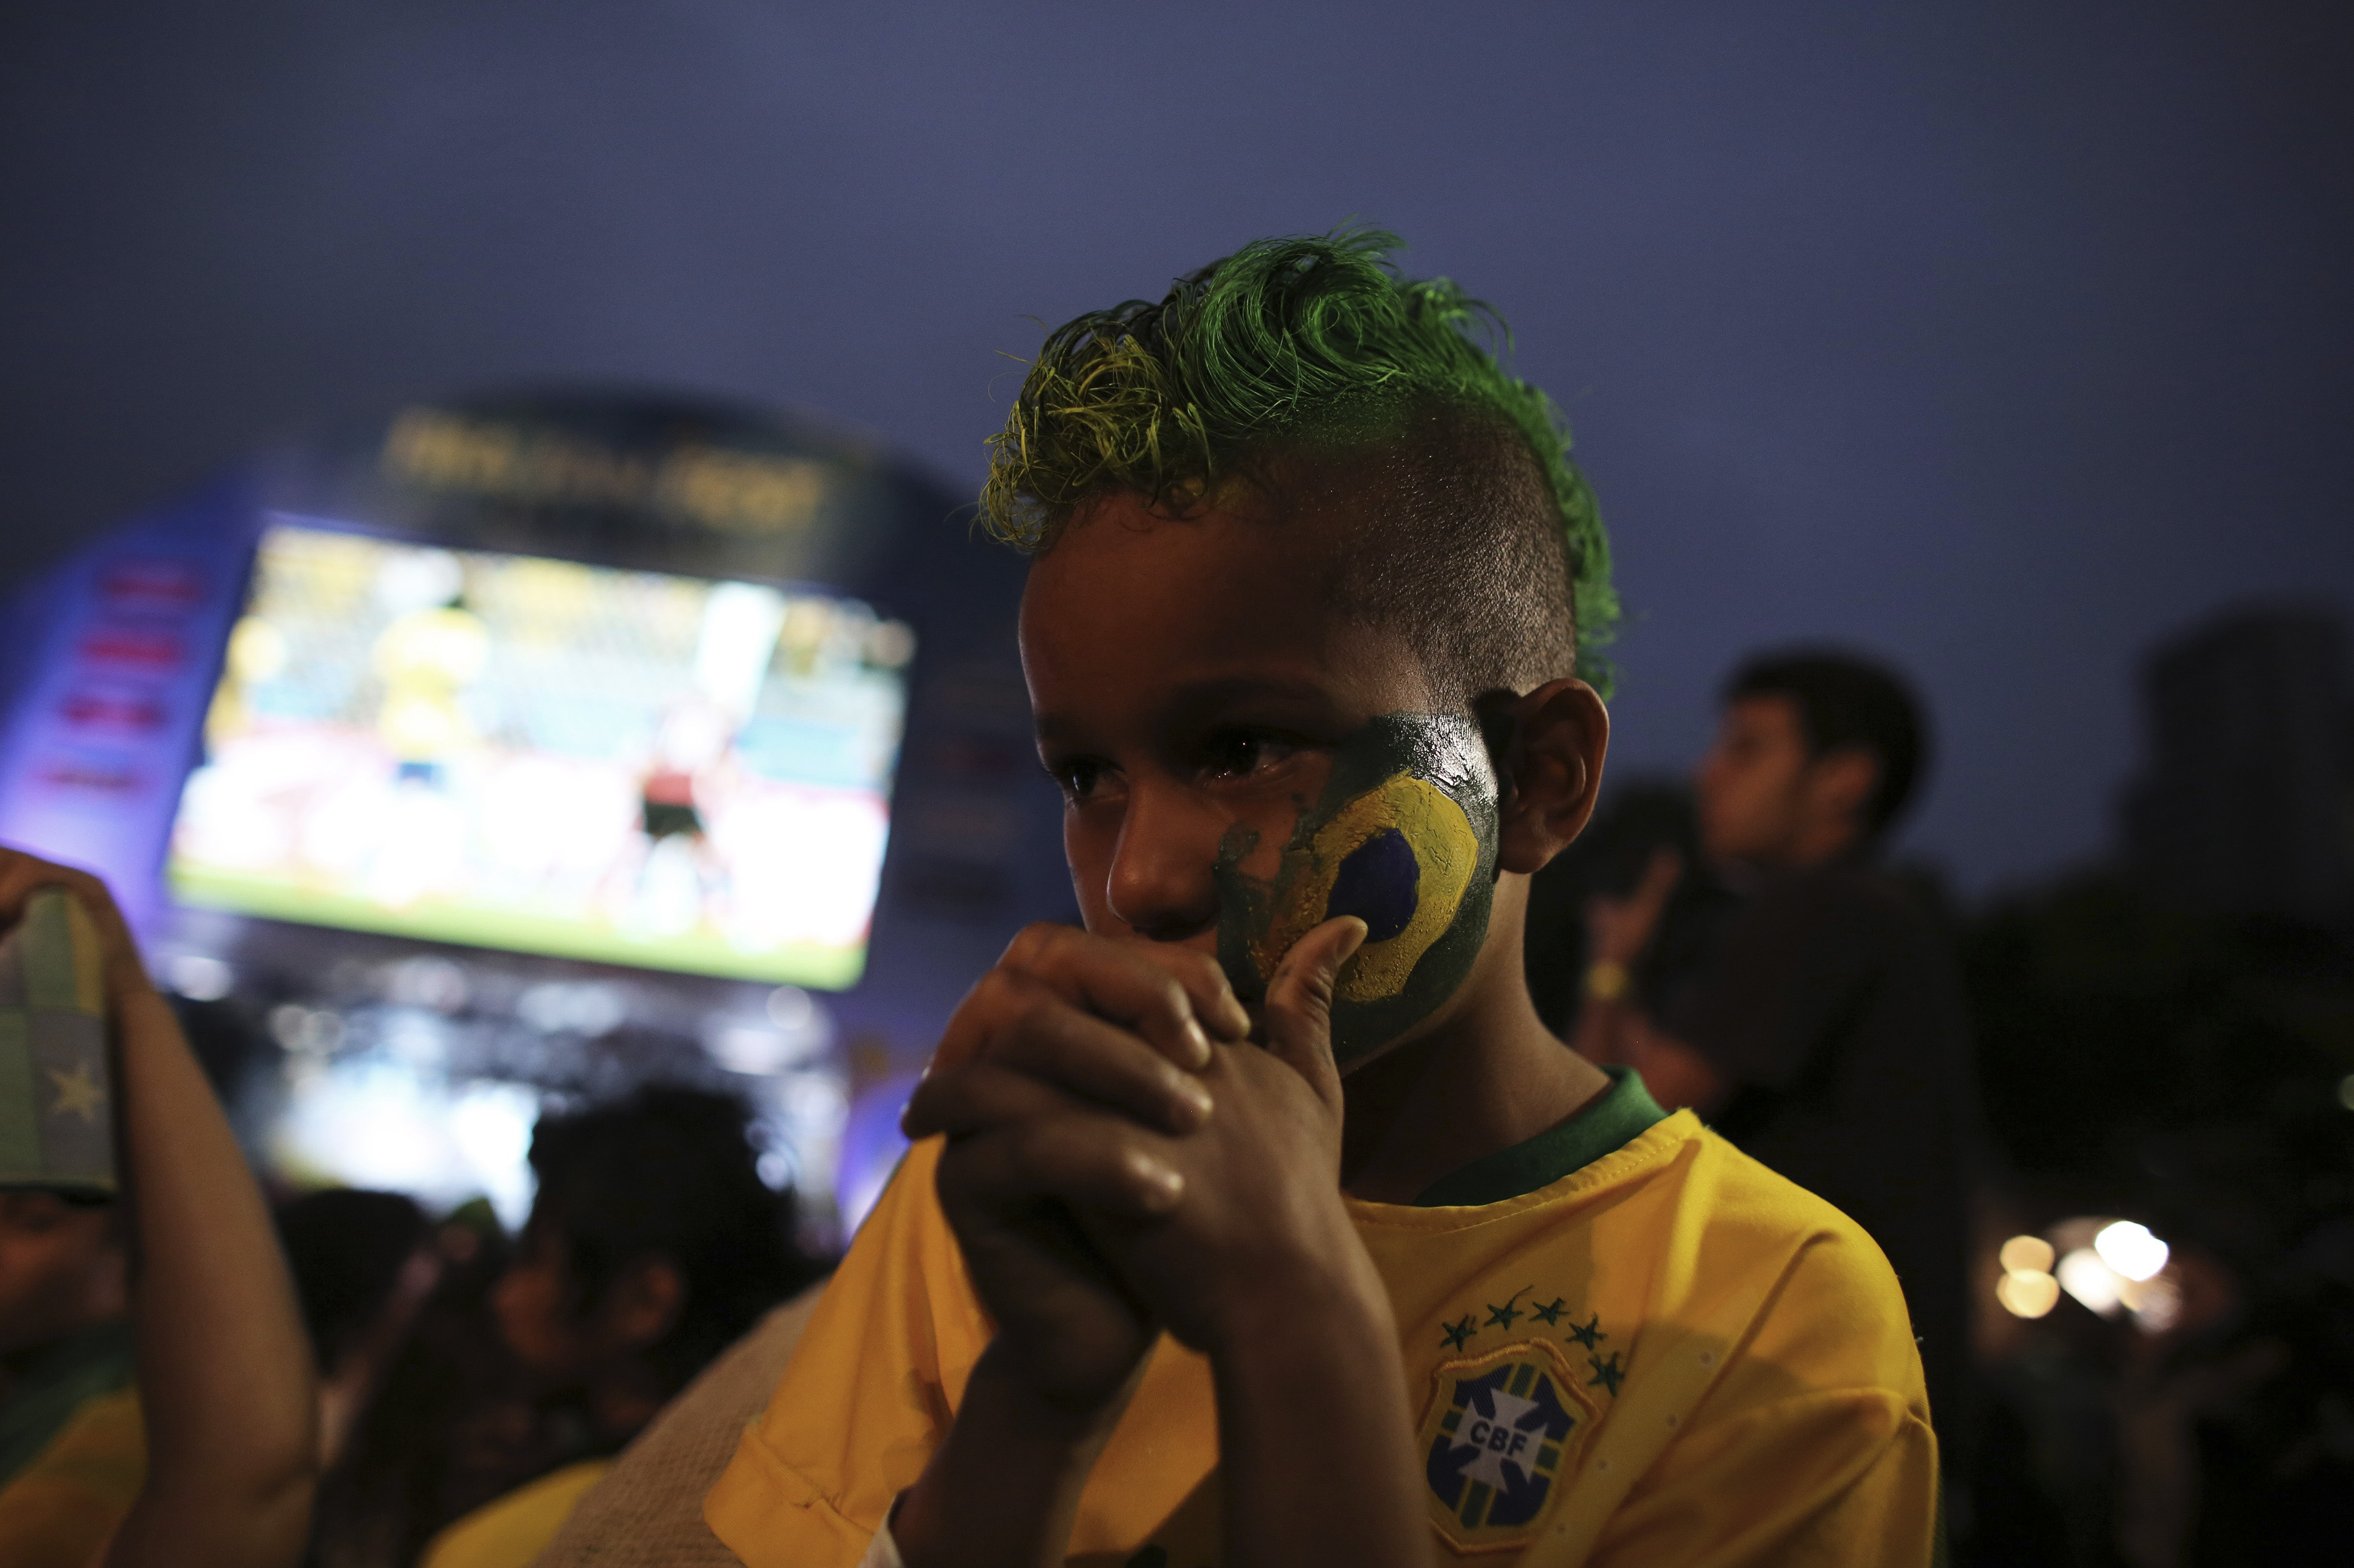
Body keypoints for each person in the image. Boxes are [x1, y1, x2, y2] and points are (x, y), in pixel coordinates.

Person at [702, 230, 1937, 1567]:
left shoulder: (1772, 1323)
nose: (1141, 876)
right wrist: (1029, 1422)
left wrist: (1297, 1324)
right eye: (1085, 774)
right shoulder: (1003, 1188)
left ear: (1538, 779)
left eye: (1243, 748)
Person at [1572, 651, 1979, 1472]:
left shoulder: (1818, 909)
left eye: (1746, 748)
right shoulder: (1876, 915)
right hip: (1886, 1390)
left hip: (1822, 1398)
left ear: (1845, 780)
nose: (1708, 772)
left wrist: (1612, 968)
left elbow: (1619, 1122)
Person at [0, 849, 317, 1568]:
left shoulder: (104, 1433)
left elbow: (247, 1477)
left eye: (33, 1220)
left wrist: (125, 990)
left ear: (129, 1255)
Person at [416, 1086, 818, 1568]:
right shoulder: (771, 1492)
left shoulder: (506, 1546)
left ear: (646, 1301)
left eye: (535, 1259)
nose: (504, 1296)